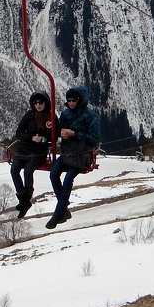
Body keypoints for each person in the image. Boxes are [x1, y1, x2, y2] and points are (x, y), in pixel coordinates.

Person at [46, 86, 101, 229]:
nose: (70, 103)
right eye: (68, 100)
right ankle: (64, 209)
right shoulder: (65, 115)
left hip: (82, 155)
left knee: (68, 178)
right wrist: (58, 130)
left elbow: (94, 139)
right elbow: (60, 129)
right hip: (67, 152)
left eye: (73, 100)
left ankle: (58, 214)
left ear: (80, 100)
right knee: (53, 174)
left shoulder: (91, 116)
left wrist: (74, 134)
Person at [9, 91, 53, 218]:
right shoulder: (29, 115)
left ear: (46, 103)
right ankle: (23, 199)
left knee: (28, 172)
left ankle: (26, 199)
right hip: (25, 149)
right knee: (14, 170)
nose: (38, 105)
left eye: (41, 102)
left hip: (39, 152)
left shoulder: (50, 117)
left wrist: (43, 139)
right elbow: (19, 132)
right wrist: (31, 137)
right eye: (36, 103)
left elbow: (53, 135)